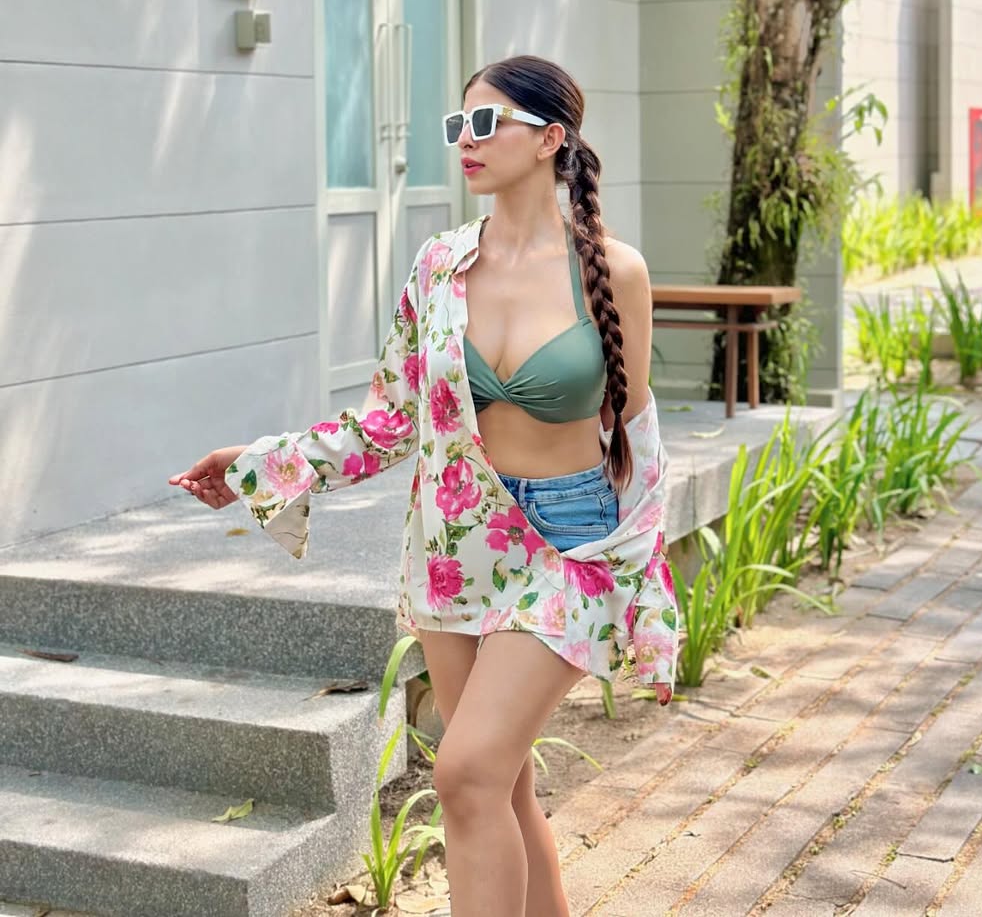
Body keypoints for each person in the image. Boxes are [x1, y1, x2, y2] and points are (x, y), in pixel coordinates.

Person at [168, 54, 677, 917]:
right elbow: (388, 421)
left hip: (569, 544)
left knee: (466, 773)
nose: (466, 143)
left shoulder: (615, 271)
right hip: (453, 548)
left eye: (488, 124)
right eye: (459, 126)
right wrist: (259, 461)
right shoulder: (440, 265)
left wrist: (638, 563)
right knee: (501, 787)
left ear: (551, 138)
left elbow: (634, 433)